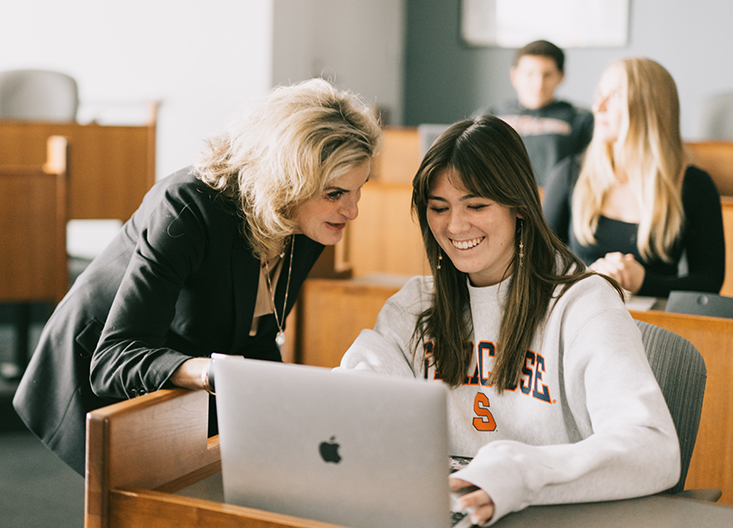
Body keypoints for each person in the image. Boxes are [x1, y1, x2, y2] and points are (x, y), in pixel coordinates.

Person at [13, 78, 382, 476]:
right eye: (335, 194)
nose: (352, 211)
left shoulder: (309, 221)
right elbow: (115, 359)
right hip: (104, 368)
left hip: (195, 356)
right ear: (286, 183)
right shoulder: (187, 206)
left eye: (358, 190)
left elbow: (257, 333)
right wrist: (215, 373)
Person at [337, 116, 679, 526]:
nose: (455, 225)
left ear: (517, 205)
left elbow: (655, 449)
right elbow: (356, 394)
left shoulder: (583, 303)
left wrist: (521, 471)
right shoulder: (415, 305)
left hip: (551, 516)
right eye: (438, 208)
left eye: (477, 205)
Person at [543, 57, 725, 297]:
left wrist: (643, 282)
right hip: (581, 315)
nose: (598, 107)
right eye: (600, 93)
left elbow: (709, 283)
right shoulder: (569, 174)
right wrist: (588, 276)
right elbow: (536, 266)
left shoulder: (694, 185)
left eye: (616, 96)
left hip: (655, 323)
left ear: (651, 107)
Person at [473, 40, 593, 187]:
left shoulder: (580, 120)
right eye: (530, 74)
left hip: (552, 204)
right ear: (514, 75)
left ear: (561, 76)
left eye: (547, 75)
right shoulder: (490, 116)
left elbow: (590, 174)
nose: (538, 84)